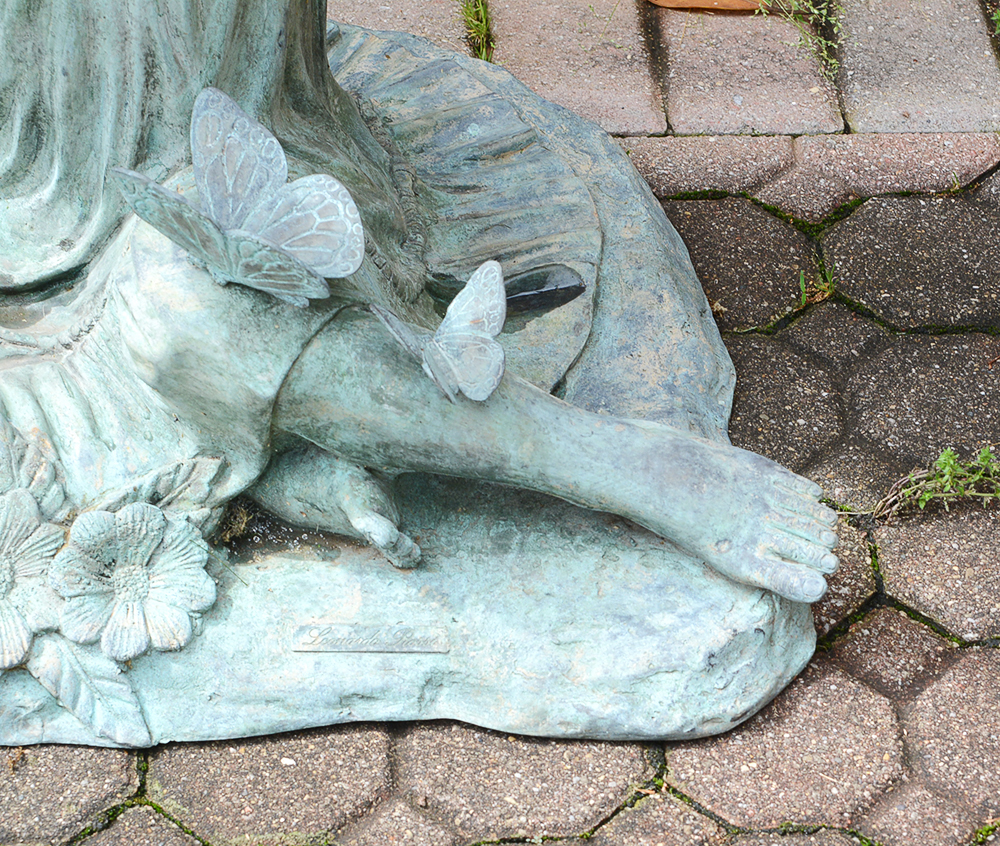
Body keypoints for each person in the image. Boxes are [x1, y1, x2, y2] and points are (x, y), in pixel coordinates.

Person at [0, 0, 837, 606]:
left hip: (236, 158)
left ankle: (617, 462)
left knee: (228, 294)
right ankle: (290, 453)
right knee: (190, 326)